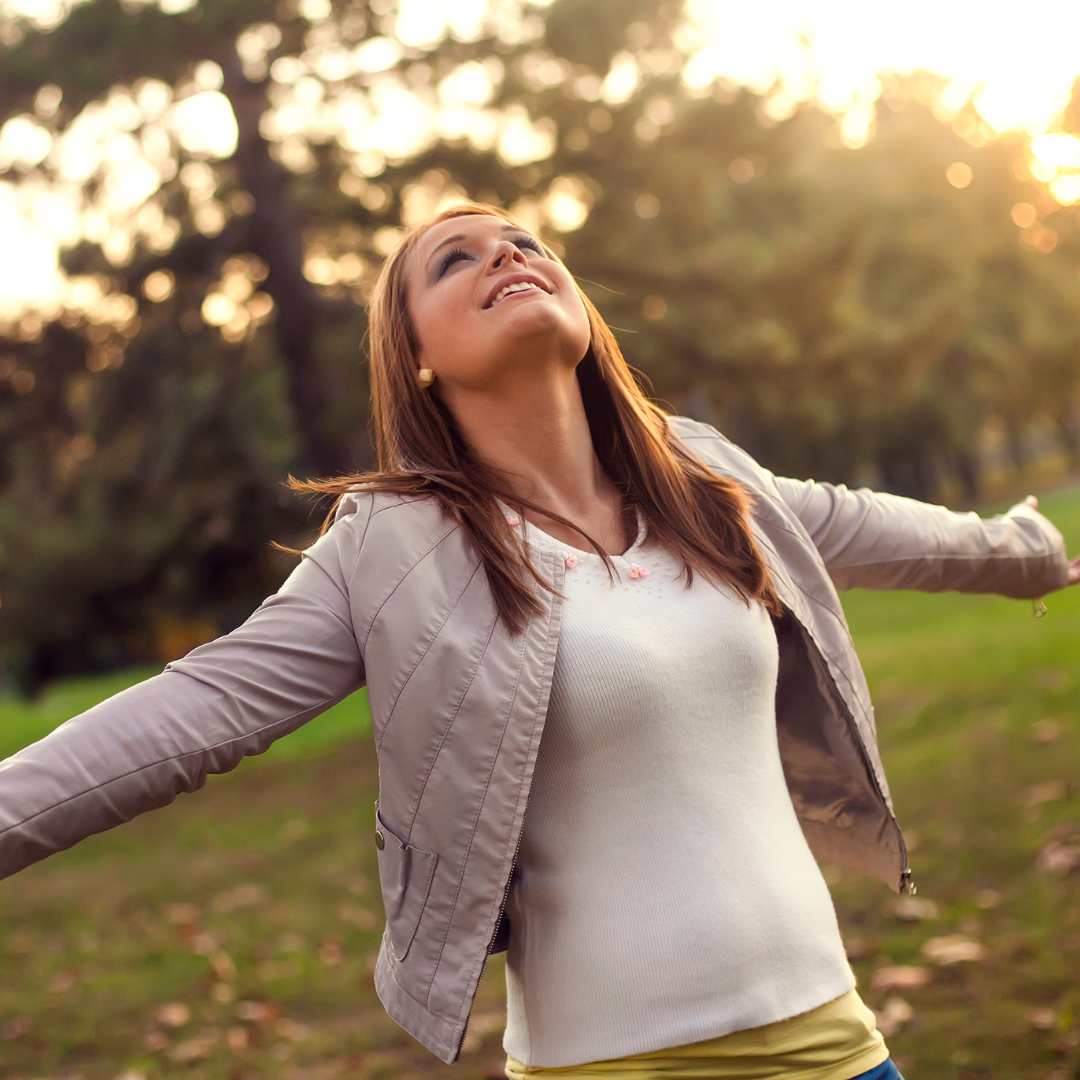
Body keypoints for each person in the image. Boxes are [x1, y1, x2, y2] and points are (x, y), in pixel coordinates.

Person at [1, 202, 1076, 1080]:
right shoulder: (395, 545)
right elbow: (193, 712)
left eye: (524, 242)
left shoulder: (703, 481)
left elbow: (894, 530)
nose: (508, 255)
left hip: (835, 1046)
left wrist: (1039, 553)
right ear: (416, 356)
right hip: (610, 1067)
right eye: (455, 259)